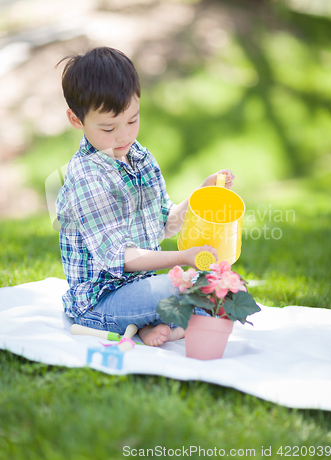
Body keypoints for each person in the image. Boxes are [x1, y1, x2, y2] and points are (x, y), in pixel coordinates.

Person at [56, 47, 235, 347]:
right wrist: (181, 258)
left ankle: (148, 326)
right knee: (176, 287)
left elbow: (165, 225)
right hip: (101, 302)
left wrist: (199, 196)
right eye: (109, 127)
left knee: (206, 282)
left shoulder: (138, 156)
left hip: (140, 287)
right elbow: (120, 258)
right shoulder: (87, 176)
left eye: (132, 120)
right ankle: (160, 320)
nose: (124, 136)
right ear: (77, 120)